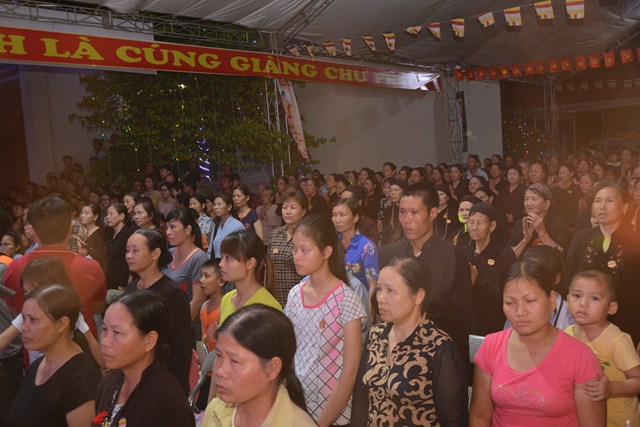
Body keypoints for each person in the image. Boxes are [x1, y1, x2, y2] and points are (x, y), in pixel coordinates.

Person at [469, 259, 605, 426]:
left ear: (552, 299)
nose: (520, 312)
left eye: (531, 300)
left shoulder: (580, 357)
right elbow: (480, 416)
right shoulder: (491, 346)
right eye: (510, 303)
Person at [352, 257, 468, 426]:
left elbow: (453, 420)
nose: (381, 298)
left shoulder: (439, 347)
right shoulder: (375, 335)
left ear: (418, 296)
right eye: (379, 289)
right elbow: (361, 401)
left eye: (390, 291)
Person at [286, 213, 367, 426]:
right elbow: (289, 353)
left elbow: (350, 372)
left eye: (305, 250)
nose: (297, 256)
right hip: (299, 406)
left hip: (333, 413)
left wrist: (320, 423)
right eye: (294, 249)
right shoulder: (295, 295)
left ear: (326, 252)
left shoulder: (346, 299)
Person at [379, 183, 473, 361]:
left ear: (433, 213)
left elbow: (462, 314)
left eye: (414, 212)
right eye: (402, 212)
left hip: (437, 351)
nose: (406, 220)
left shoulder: (452, 256)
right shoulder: (389, 253)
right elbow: (378, 301)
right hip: (397, 348)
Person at [3, 196, 106, 338]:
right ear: (70, 228)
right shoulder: (91, 267)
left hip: (35, 346)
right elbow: (98, 308)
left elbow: (15, 311)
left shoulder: (15, 267)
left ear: (33, 229)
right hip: (83, 346)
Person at [202, 305, 316, 427]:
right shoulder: (215, 411)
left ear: (272, 368)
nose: (220, 371)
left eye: (234, 361)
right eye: (219, 355)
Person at [94, 291, 195, 427]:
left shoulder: (168, 403)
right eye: (105, 329)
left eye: (117, 332)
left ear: (149, 340)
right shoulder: (110, 383)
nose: (105, 341)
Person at [7, 285, 101, 427]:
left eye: (33, 319)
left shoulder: (81, 382)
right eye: (23, 319)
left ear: (61, 324)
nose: (24, 327)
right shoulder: (37, 365)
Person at [564, 181, 640, 345]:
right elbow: (568, 278)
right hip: (585, 325)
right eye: (598, 201)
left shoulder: (636, 241)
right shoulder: (581, 238)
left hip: (626, 323)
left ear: (625, 207)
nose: (602, 206)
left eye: (609, 200)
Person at [565, 270, 640, 427]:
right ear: (568, 299)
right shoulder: (567, 334)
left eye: (595, 298)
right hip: (584, 418)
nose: (583, 303)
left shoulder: (616, 340)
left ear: (611, 308)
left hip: (618, 421)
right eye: (577, 295)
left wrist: (611, 388)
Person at [123, 229, 192, 393]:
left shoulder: (172, 294)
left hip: (159, 381)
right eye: (127, 250)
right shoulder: (131, 288)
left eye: (135, 251)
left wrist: (175, 390)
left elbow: (181, 349)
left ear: (155, 254)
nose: (129, 256)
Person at [464, 203, 515, 335]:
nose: (474, 227)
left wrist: (477, 281)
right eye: (471, 222)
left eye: (480, 223)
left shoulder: (505, 255)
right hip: (465, 323)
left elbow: (508, 294)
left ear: (492, 226)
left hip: (492, 323)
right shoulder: (462, 252)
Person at [163, 208, 209, 335]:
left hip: (185, 328)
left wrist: (176, 328)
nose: (168, 232)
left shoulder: (198, 258)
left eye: (173, 227)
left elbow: (197, 301)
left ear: (187, 230)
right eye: (167, 228)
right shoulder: (170, 253)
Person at [507, 183, 571, 258]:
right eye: (526, 199)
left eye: (534, 199)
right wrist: (525, 240)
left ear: (547, 204)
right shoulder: (520, 223)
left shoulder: (558, 224)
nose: (529, 203)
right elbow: (508, 256)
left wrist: (542, 232)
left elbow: (562, 256)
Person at [268, 191, 308, 307]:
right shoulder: (275, 233)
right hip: (275, 296)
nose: (288, 212)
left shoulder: (308, 235)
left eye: (293, 208)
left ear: (304, 211)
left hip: (300, 297)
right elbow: (269, 265)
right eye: (285, 207)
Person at [332, 198, 379, 293]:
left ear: (355, 218)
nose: (337, 220)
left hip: (358, 297)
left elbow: (372, 284)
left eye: (342, 215)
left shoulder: (367, 247)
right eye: (334, 215)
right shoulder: (331, 243)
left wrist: (368, 302)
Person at [104, 203, 136, 290]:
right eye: (107, 214)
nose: (108, 217)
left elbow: (126, 262)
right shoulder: (109, 233)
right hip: (108, 279)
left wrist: (122, 284)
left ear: (121, 216)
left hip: (119, 282)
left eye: (111, 214)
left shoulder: (128, 234)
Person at [207, 193, 245, 260]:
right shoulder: (216, 226)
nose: (216, 207)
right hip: (216, 263)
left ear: (229, 207)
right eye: (214, 205)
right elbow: (210, 249)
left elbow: (242, 249)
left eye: (219, 204)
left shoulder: (237, 225)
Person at [77, 204, 106, 270]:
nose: (83, 216)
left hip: (94, 269)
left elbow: (100, 257)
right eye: (82, 213)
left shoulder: (100, 234)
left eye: (86, 213)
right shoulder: (81, 232)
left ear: (95, 216)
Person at [380, 178, 407, 245]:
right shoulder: (389, 209)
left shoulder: (409, 210)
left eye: (396, 190)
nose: (393, 193)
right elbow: (384, 232)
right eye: (391, 190)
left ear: (404, 192)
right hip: (389, 246)